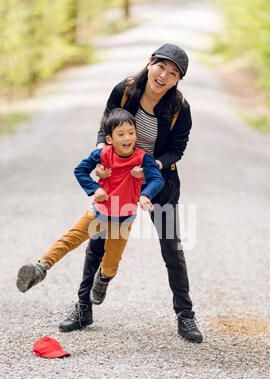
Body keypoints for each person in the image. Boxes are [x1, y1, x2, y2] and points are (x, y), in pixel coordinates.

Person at [59, 43, 203, 343]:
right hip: (118, 180)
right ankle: (83, 306)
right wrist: (100, 150)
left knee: (171, 248)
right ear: (150, 63)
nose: (164, 75)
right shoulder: (124, 91)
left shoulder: (179, 108)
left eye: (173, 73)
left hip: (156, 182)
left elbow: (177, 148)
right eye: (161, 66)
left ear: (178, 80)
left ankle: (185, 315)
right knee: (97, 241)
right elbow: (105, 126)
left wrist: (154, 166)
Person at [16, 109, 164, 303]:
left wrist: (145, 195)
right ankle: (40, 268)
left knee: (111, 261)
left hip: (123, 219)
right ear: (110, 139)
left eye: (131, 132)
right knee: (69, 239)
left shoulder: (142, 158)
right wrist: (95, 189)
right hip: (98, 213)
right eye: (121, 134)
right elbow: (80, 170)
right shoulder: (102, 154)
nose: (128, 137)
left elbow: (157, 179)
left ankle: (103, 279)